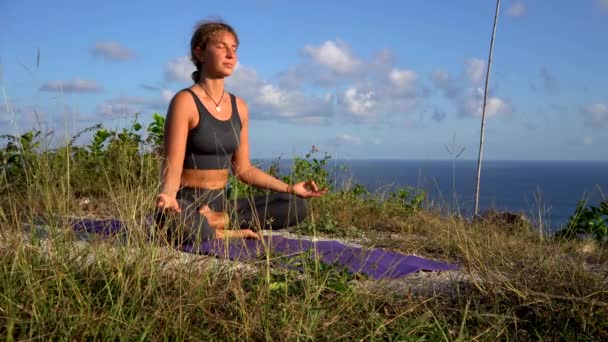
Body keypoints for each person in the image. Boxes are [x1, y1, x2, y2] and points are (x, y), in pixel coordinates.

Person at [155, 20, 328, 243]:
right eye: (221, 47)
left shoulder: (240, 107)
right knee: (176, 222)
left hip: (222, 204)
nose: (230, 55)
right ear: (200, 53)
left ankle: (218, 222)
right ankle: (224, 231)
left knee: (295, 205)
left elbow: (243, 170)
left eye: (234, 48)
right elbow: (172, 165)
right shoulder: (185, 101)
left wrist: (289, 187)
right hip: (187, 203)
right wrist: (168, 197)